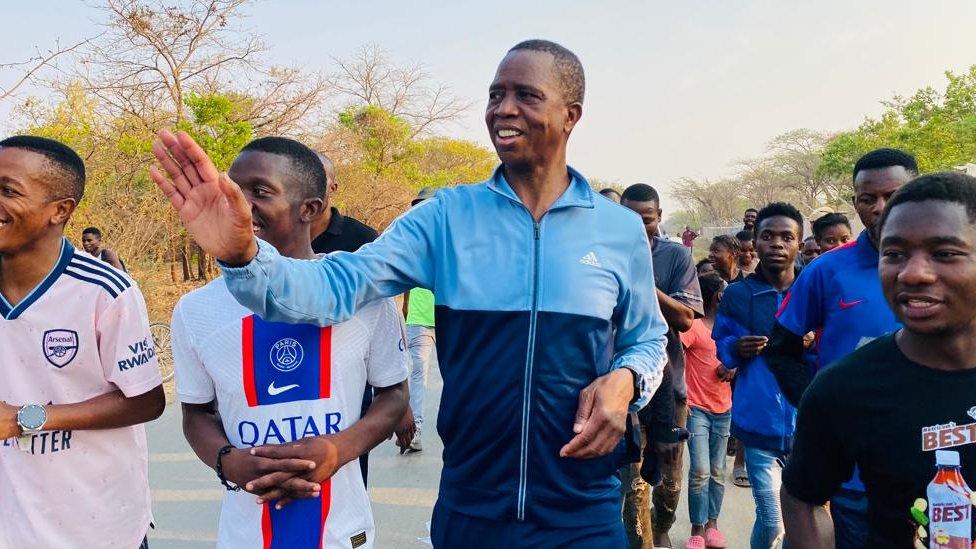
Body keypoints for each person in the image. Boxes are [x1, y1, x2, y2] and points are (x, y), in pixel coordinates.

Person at [151, 39, 669, 548]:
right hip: (473, 506)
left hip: (582, 507)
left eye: (525, 95)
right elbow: (332, 288)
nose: (502, 109)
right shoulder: (444, 218)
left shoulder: (619, 230)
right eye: (495, 94)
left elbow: (649, 342)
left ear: (570, 115)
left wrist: (626, 380)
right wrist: (243, 256)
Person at [172, 136, 409, 549]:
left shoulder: (363, 297)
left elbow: (393, 393)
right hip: (245, 534)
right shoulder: (196, 310)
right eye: (232, 189)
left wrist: (337, 449)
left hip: (340, 529)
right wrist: (229, 462)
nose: (238, 204)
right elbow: (196, 413)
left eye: (259, 192)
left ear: (310, 209)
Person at [782, 172, 976, 547]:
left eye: (945, 253)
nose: (914, 273)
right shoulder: (842, 389)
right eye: (894, 254)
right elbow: (801, 497)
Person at [0, 135, 165, 548]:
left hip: (95, 528)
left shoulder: (105, 290)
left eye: (7, 190)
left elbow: (146, 399)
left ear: (60, 210)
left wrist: (26, 418)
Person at [765, 148, 918, 548]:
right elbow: (781, 349)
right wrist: (822, 405)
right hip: (857, 475)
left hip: (940, 463)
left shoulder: (953, 264)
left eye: (893, 195)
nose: (881, 208)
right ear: (856, 203)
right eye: (868, 199)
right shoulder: (827, 270)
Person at [712, 202, 804, 548]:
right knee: (773, 519)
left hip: (808, 424)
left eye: (786, 237)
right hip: (759, 421)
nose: (777, 244)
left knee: (806, 518)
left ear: (798, 242)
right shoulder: (738, 294)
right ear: (756, 241)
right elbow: (721, 343)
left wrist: (812, 341)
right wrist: (738, 349)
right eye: (768, 236)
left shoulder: (812, 288)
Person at [621, 183, 704, 549]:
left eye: (648, 219)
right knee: (635, 483)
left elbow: (686, 319)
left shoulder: (675, 257)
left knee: (670, 482)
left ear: (659, 217)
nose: (640, 227)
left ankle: (663, 524)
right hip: (626, 388)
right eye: (630, 219)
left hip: (672, 388)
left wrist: (643, 284)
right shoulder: (606, 254)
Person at [307, 152, 383, 483]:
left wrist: (395, 392)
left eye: (318, 177)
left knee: (348, 471)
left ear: (333, 186)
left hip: (351, 378)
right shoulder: (272, 238)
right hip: (287, 367)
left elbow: (381, 317)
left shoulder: (362, 240)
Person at [682, 272, 731, 549]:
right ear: (718, 296)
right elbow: (674, 355)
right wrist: (681, 397)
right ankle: (697, 528)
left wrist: (732, 367)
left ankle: (713, 524)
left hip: (724, 408)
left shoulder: (730, 329)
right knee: (700, 470)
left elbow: (740, 360)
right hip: (696, 408)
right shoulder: (695, 328)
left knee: (718, 470)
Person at [400, 187, 439, 453]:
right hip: (419, 317)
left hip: (450, 317)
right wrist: (405, 305)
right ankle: (416, 429)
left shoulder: (451, 239)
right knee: (417, 372)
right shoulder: (411, 242)